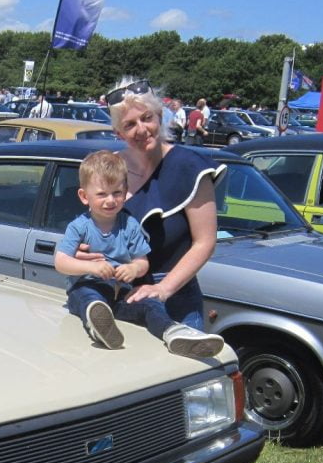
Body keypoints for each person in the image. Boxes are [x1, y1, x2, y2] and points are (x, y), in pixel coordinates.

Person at [73, 77, 223, 355]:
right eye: (130, 125)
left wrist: (163, 289)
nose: (141, 129)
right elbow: (95, 224)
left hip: (176, 299)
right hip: (119, 295)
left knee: (179, 380)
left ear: (161, 116)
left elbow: (205, 242)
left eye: (147, 118)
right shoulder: (111, 167)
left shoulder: (189, 166)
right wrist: (84, 252)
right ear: (118, 132)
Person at [56, 150, 222, 356]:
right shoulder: (79, 226)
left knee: (149, 305)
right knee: (87, 294)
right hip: (89, 286)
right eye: (101, 194)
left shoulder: (130, 225)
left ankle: (173, 332)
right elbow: (61, 261)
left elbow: (142, 262)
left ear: (126, 191)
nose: (110, 200)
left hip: (122, 292)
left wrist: (133, 269)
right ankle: (97, 322)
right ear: (84, 196)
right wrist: (91, 267)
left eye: (117, 193)